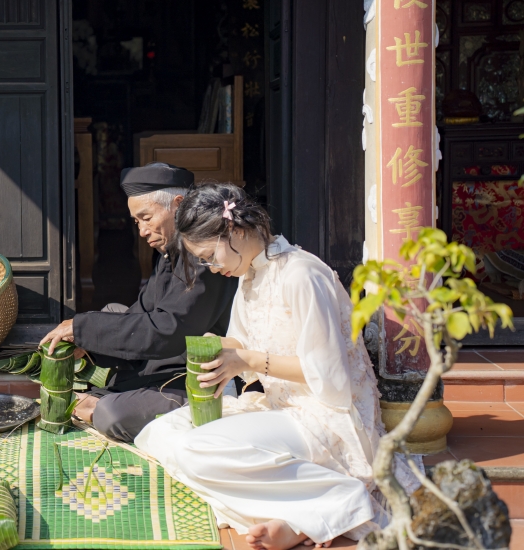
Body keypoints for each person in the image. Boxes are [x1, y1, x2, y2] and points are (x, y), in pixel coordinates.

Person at [133, 182, 419, 550]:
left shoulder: (302, 275)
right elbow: (242, 342)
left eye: (209, 255)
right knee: (159, 433)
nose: (211, 266)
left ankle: (342, 498)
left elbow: (330, 379)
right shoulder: (251, 273)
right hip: (281, 409)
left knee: (195, 450)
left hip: (326, 417)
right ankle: (302, 518)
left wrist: (247, 360)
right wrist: (220, 351)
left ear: (233, 230)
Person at [41, 163, 238, 442]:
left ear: (178, 205)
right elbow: (142, 312)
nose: (142, 230)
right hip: (164, 358)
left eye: (146, 218)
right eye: (136, 222)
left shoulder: (205, 257)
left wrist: (84, 328)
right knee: (111, 313)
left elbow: (169, 330)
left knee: (111, 414)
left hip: (193, 374)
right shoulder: (170, 251)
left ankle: (106, 405)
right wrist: (89, 344)